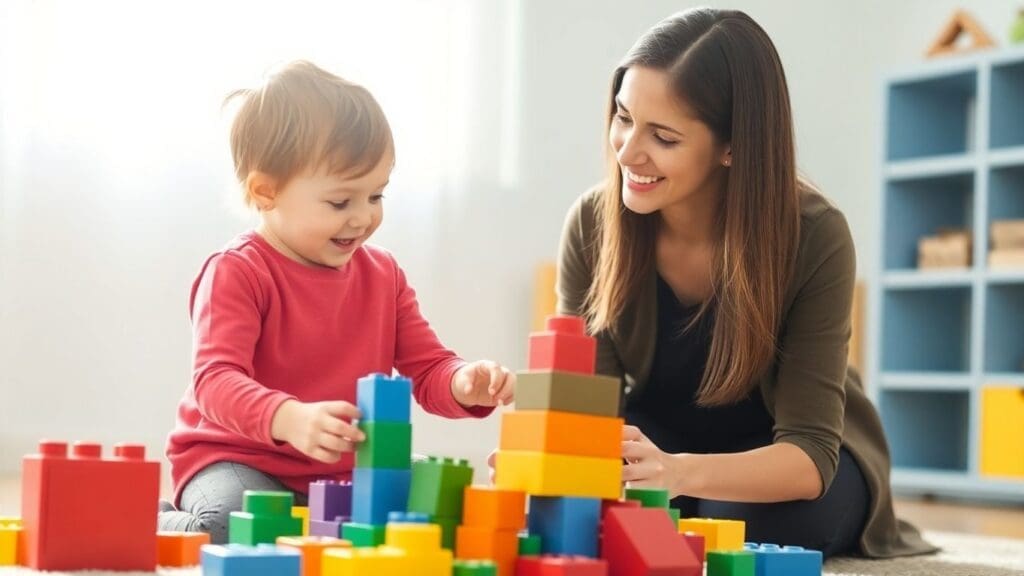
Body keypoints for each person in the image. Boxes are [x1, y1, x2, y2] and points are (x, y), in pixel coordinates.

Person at [553, 8, 934, 558]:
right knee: (600, 511)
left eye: (663, 137)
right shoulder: (592, 224)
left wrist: (680, 475)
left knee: (749, 531)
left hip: (788, 451)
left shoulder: (814, 235)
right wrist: (547, 459)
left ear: (733, 146)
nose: (628, 151)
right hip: (661, 435)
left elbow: (808, 454)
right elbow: (594, 407)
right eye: (623, 116)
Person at [159, 61, 515, 543]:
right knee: (231, 530)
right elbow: (215, 383)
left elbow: (427, 367)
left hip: (343, 469)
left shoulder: (382, 275)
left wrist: (461, 382)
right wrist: (289, 418)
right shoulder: (238, 270)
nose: (364, 218)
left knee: (440, 509)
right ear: (266, 192)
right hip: (240, 459)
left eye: (376, 195)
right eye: (340, 202)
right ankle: (143, 513)